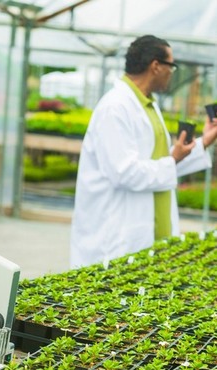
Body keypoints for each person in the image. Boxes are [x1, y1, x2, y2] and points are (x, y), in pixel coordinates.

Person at [70, 34, 217, 268]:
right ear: (156, 66)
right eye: (171, 66)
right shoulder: (115, 107)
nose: (172, 73)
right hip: (115, 237)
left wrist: (204, 142)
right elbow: (124, 172)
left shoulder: (147, 105)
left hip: (146, 234)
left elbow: (162, 164)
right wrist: (173, 159)